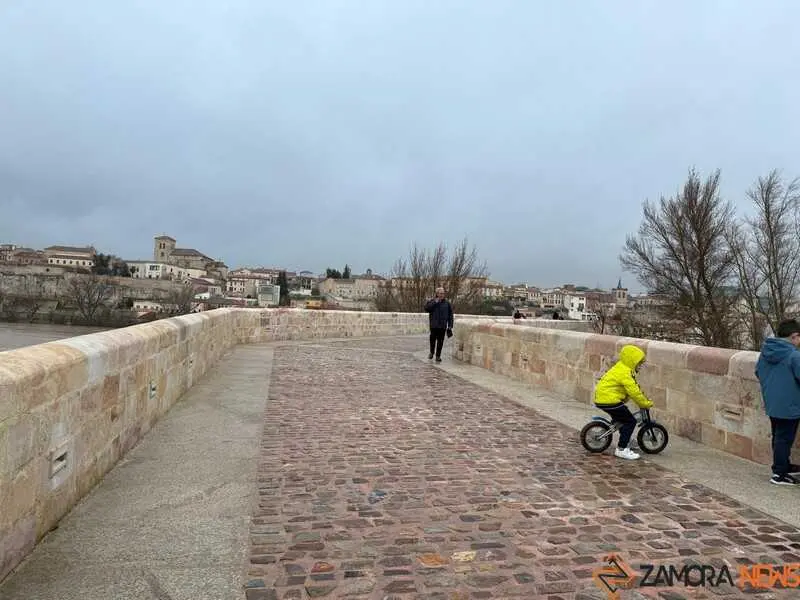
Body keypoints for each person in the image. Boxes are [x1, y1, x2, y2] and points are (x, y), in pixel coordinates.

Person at [755, 319, 800, 486]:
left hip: (772, 402)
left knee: (778, 437)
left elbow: (758, 372)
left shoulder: (766, 351)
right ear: (794, 336)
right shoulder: (794, 355)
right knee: (784, 439)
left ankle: (783, 466)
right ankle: (779, 474)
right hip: (790, 404)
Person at [593, 344, 654, 460]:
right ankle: (621, 449)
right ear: (632, 361)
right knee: (630, 421)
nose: (640, 366)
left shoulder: (621, 367)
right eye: (639, 363)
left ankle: (626, 439)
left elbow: (630, 388)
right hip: (609, 400)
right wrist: (645, 403)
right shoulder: (625, 373)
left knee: (621, 420)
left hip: (603, 398)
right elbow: (634, 392)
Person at [424, 287, 453, 363]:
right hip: (434, 325)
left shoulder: (447, 303)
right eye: (440, 293)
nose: (442, 295)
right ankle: (431, 352)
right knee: (432, 340)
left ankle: (438, 356)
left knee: (440, 342)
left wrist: (450, 326)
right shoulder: (432, 301)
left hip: (442, 326)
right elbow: (427, 309)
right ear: (437, 294)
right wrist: (435, 302)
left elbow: (450, 315)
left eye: (443, 293)